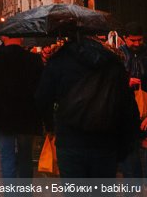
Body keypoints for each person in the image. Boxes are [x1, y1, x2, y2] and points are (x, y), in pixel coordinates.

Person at [36, 33, 140, 178]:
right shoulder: (112, 61)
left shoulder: (59, 61)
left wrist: (50, 127)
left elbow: (43, 98)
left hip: (70, 139)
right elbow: (126, 106)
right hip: (105, 141)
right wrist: (124, 145)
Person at [0, 36, 44, 178]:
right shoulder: (33, 59)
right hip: (27, 115)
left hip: (2, 116)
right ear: (21, 38)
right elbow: (42, 90)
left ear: (3, 38)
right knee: (25, 156)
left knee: (6, 157)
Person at [118, 22, 147, 178]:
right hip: (126, 113)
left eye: (140, 40)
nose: (137, 44)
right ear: (125, 38)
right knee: (130, 160)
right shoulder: (117, 55)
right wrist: (125, 82)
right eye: (133, 40)